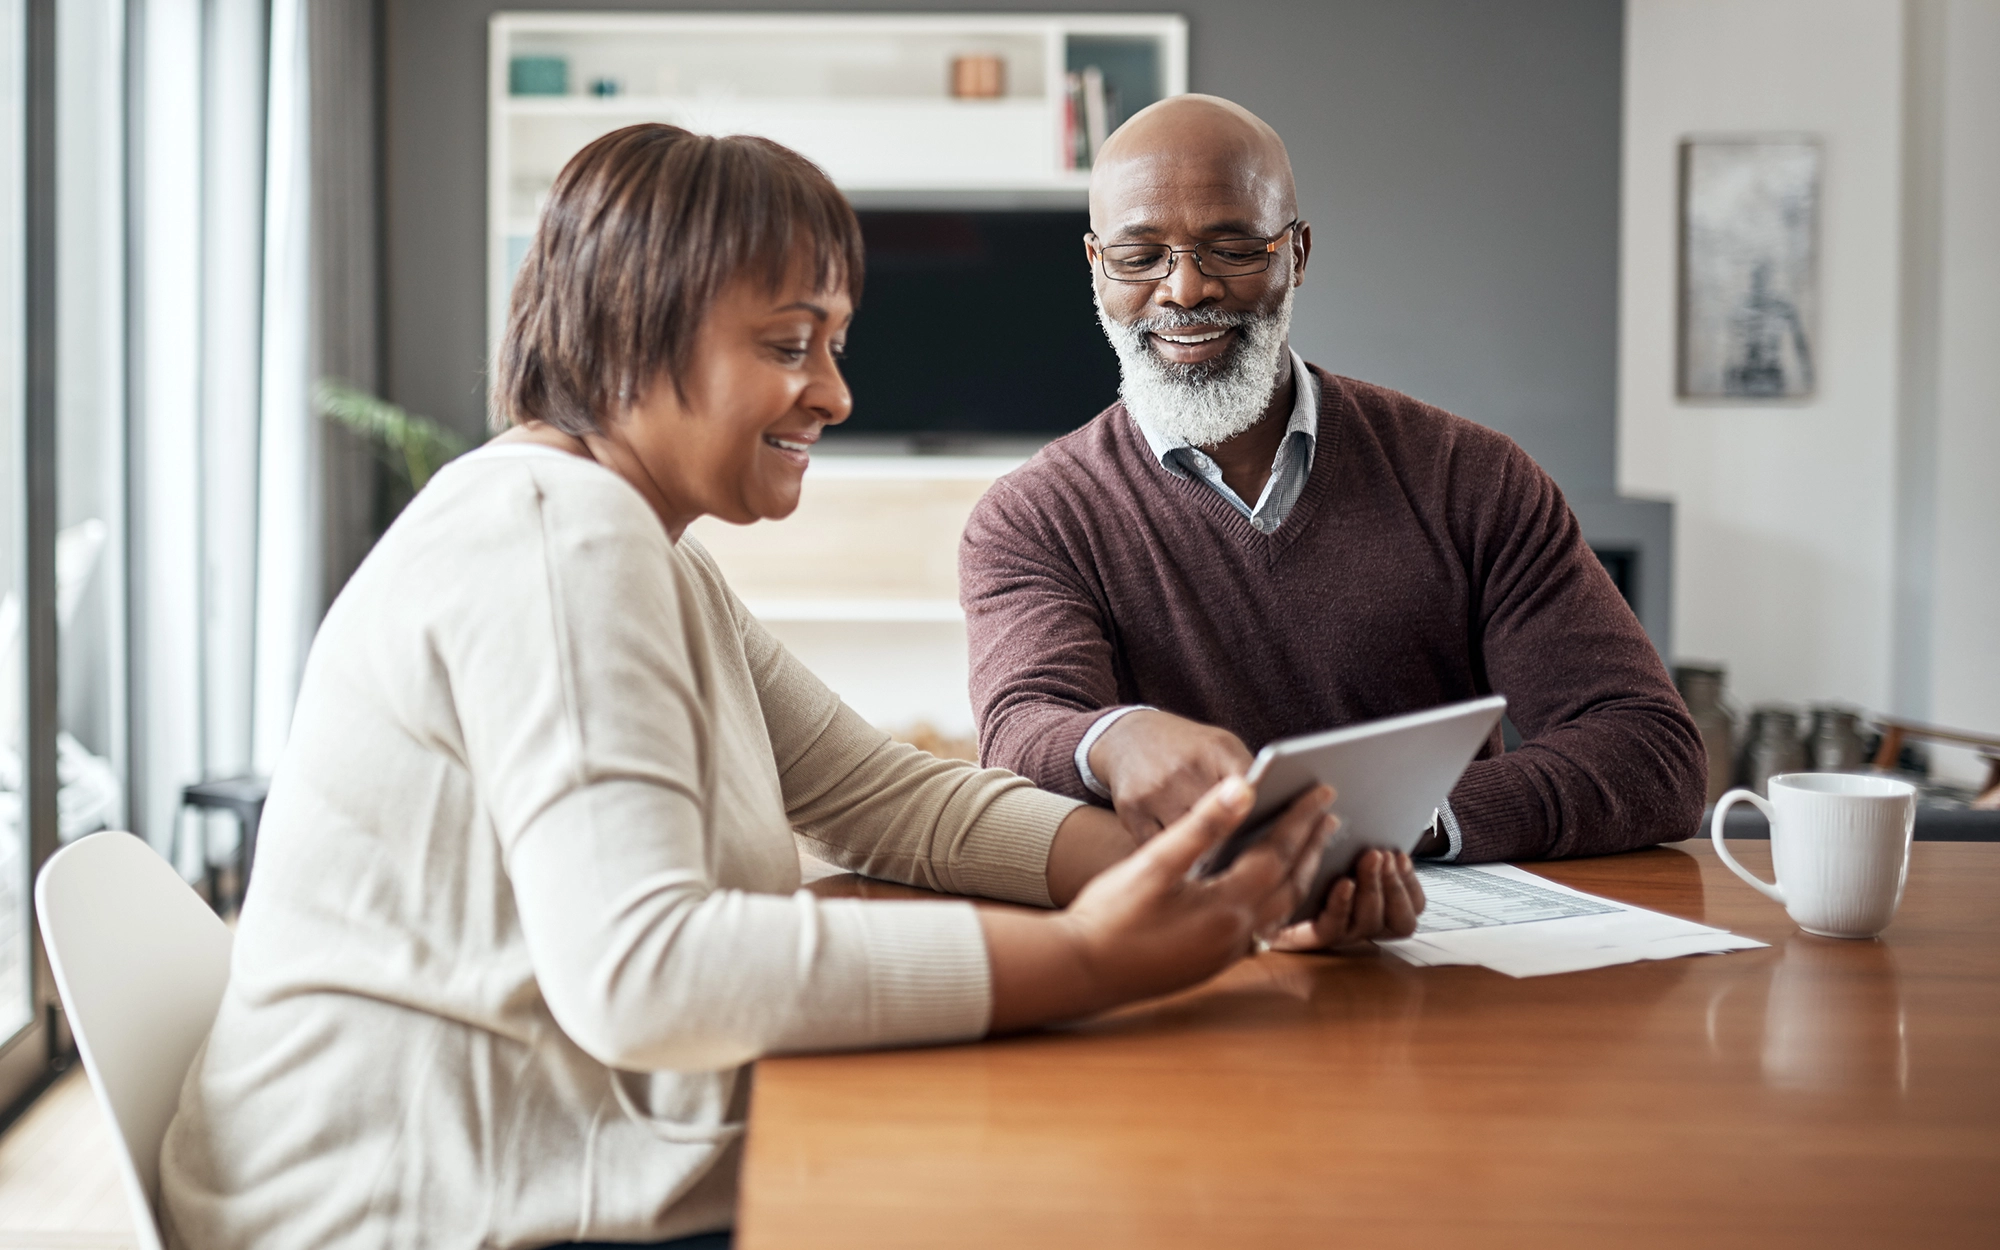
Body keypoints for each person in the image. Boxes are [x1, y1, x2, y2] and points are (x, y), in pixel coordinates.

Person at [155, 123, 1401, 1250]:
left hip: (533, 1159)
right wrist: (1089, 959)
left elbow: (891, 800)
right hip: (413, 1210)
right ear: (631, 324)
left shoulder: (635, 547)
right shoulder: (557, 541)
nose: (837, 393)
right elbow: (648, 972)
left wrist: (1187, 867)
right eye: (788, 344)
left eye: (834, 345)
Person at [960, 95, 1705, 869]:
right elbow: (1022, 733)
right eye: (1140, 256)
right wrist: (1112, 738)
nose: (1184, 290)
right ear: (1096, 267)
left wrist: (1397, 823)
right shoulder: (1033, 517)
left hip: (1441, 937)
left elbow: (1653, 752)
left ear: (1298, 255)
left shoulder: (1471, 478)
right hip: (1186, 942)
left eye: (1233, 248)